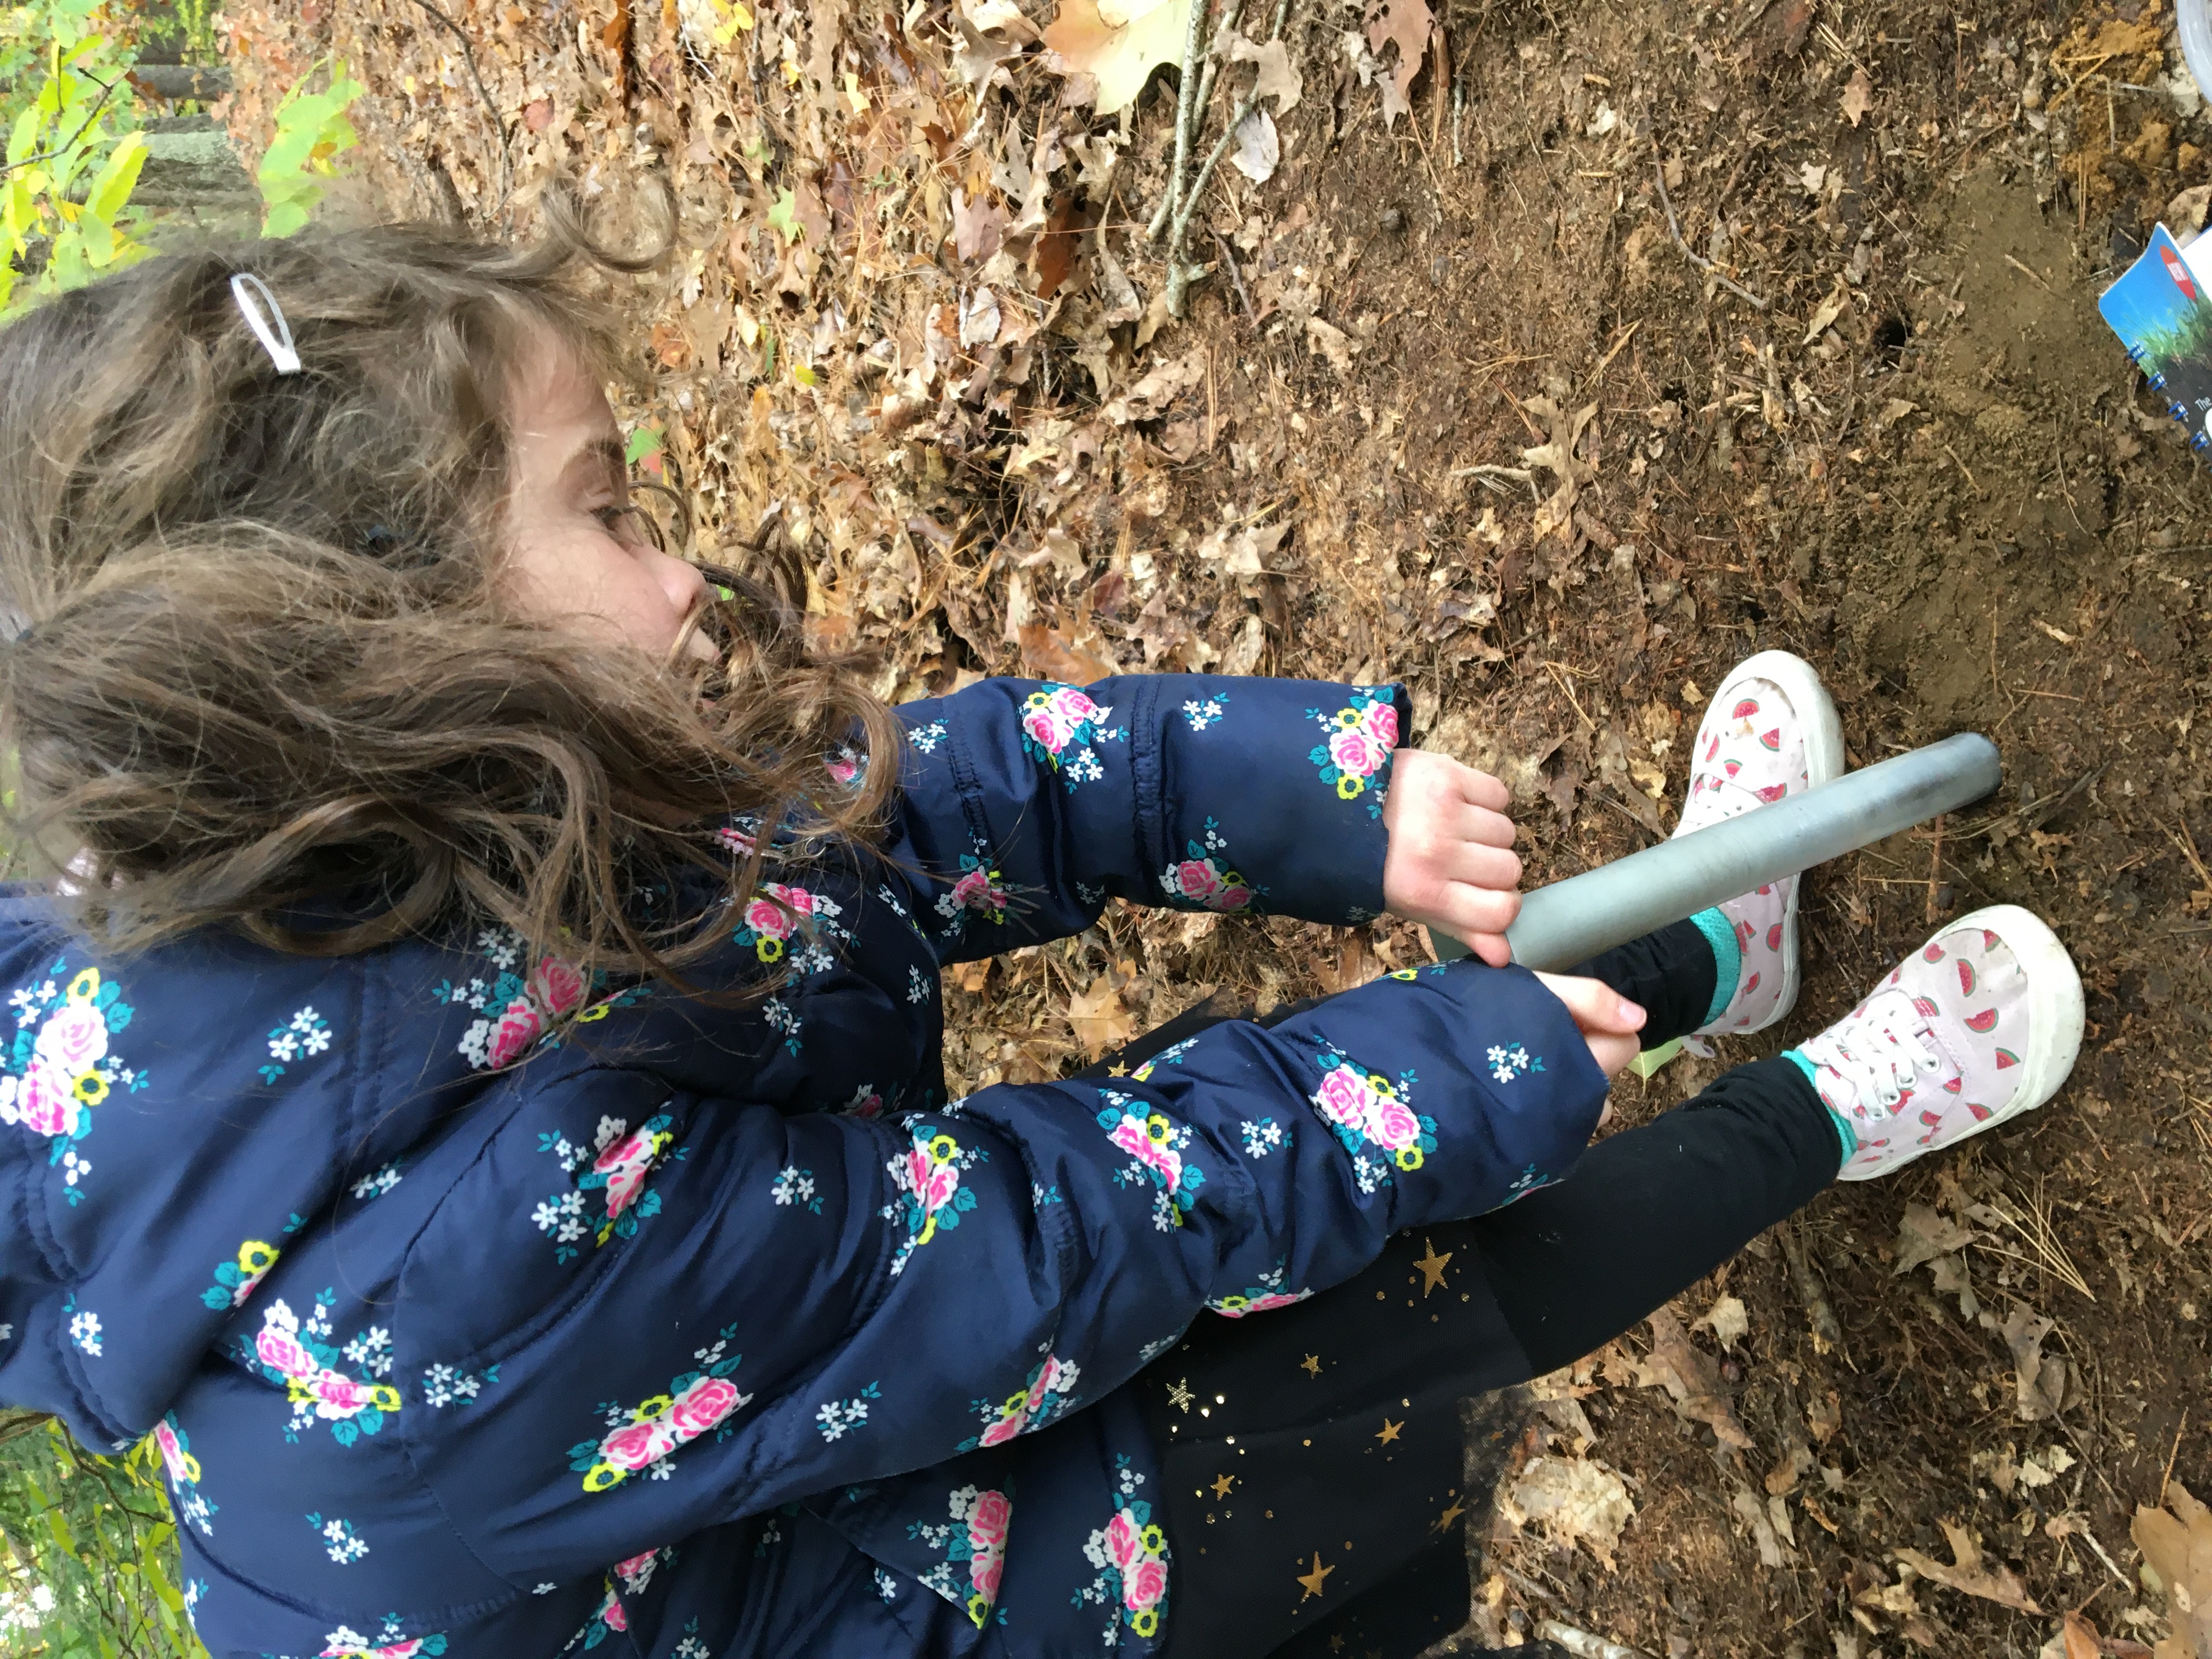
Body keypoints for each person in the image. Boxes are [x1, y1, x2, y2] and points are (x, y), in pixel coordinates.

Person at [0, 203, 2082, 1659]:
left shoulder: (436, 819)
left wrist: (1306, 811)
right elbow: (1046, 1248)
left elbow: (902, 823)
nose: (683, 569)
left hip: (821, 1371)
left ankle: (1720, 963)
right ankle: (1830, 1106)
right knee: (1381, 1332)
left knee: (1426, 1125)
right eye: (612, 507)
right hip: (921, 1600)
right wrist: (1453, 1068)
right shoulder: (449, 1279)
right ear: (392, 659)